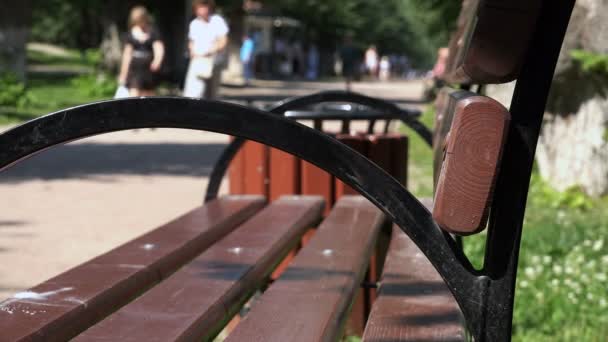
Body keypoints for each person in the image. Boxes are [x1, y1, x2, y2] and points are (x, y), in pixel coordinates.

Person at [183, 0, 229, 99]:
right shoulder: (194, 23)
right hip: (198, 61)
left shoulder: (217, 21)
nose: (202, 10)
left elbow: (223, 40)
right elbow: (191, 41)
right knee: (193, 91)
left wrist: (211, 51)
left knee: (211, 93)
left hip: (213, 61)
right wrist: (192, 51)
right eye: (199, 7)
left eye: (204, 7)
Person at [118, 6, 165, 97]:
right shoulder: (130, 35)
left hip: (149, 71)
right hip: (135, 71)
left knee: (149, 96)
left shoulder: (153, 33)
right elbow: (127, 55)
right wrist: (123, 74)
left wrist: (157, 61)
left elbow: (159, 48)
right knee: (134, 96)